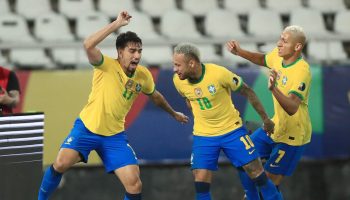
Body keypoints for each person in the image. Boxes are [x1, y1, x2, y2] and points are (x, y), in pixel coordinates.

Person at [38, 11, 189, 200]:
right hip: (87, 128)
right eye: (132, 51)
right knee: (60, 164)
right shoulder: (106, 65)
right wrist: (116, 24)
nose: (137, 55)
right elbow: (88, 44)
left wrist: (173, 113)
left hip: (114, 137)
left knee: (134, 184)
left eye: (139, 51)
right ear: (120, 52)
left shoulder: (143, 75)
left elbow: (155, 96)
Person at [172, 43, 282, 200]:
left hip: (232, 131)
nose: (175, 69)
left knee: (257, 175)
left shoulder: (218, 73)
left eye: (177, 65)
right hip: (204, 135)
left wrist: (265, 119)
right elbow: (188, 99)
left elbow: (248, 91)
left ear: (191, 63)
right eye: (174, 65)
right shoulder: (178, 81)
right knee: (201, 181)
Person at [226, 25, 312, 199]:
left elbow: (292, 108)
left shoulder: (302, 71)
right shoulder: (279, 57)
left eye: (284, 41)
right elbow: (263, 59)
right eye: (280, 38)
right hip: (276, 127)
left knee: (269, 185)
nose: (279, 43)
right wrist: (240, 52)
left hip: (293, 136)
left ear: (297, 47)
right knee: (244, 157)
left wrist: (274, 89)